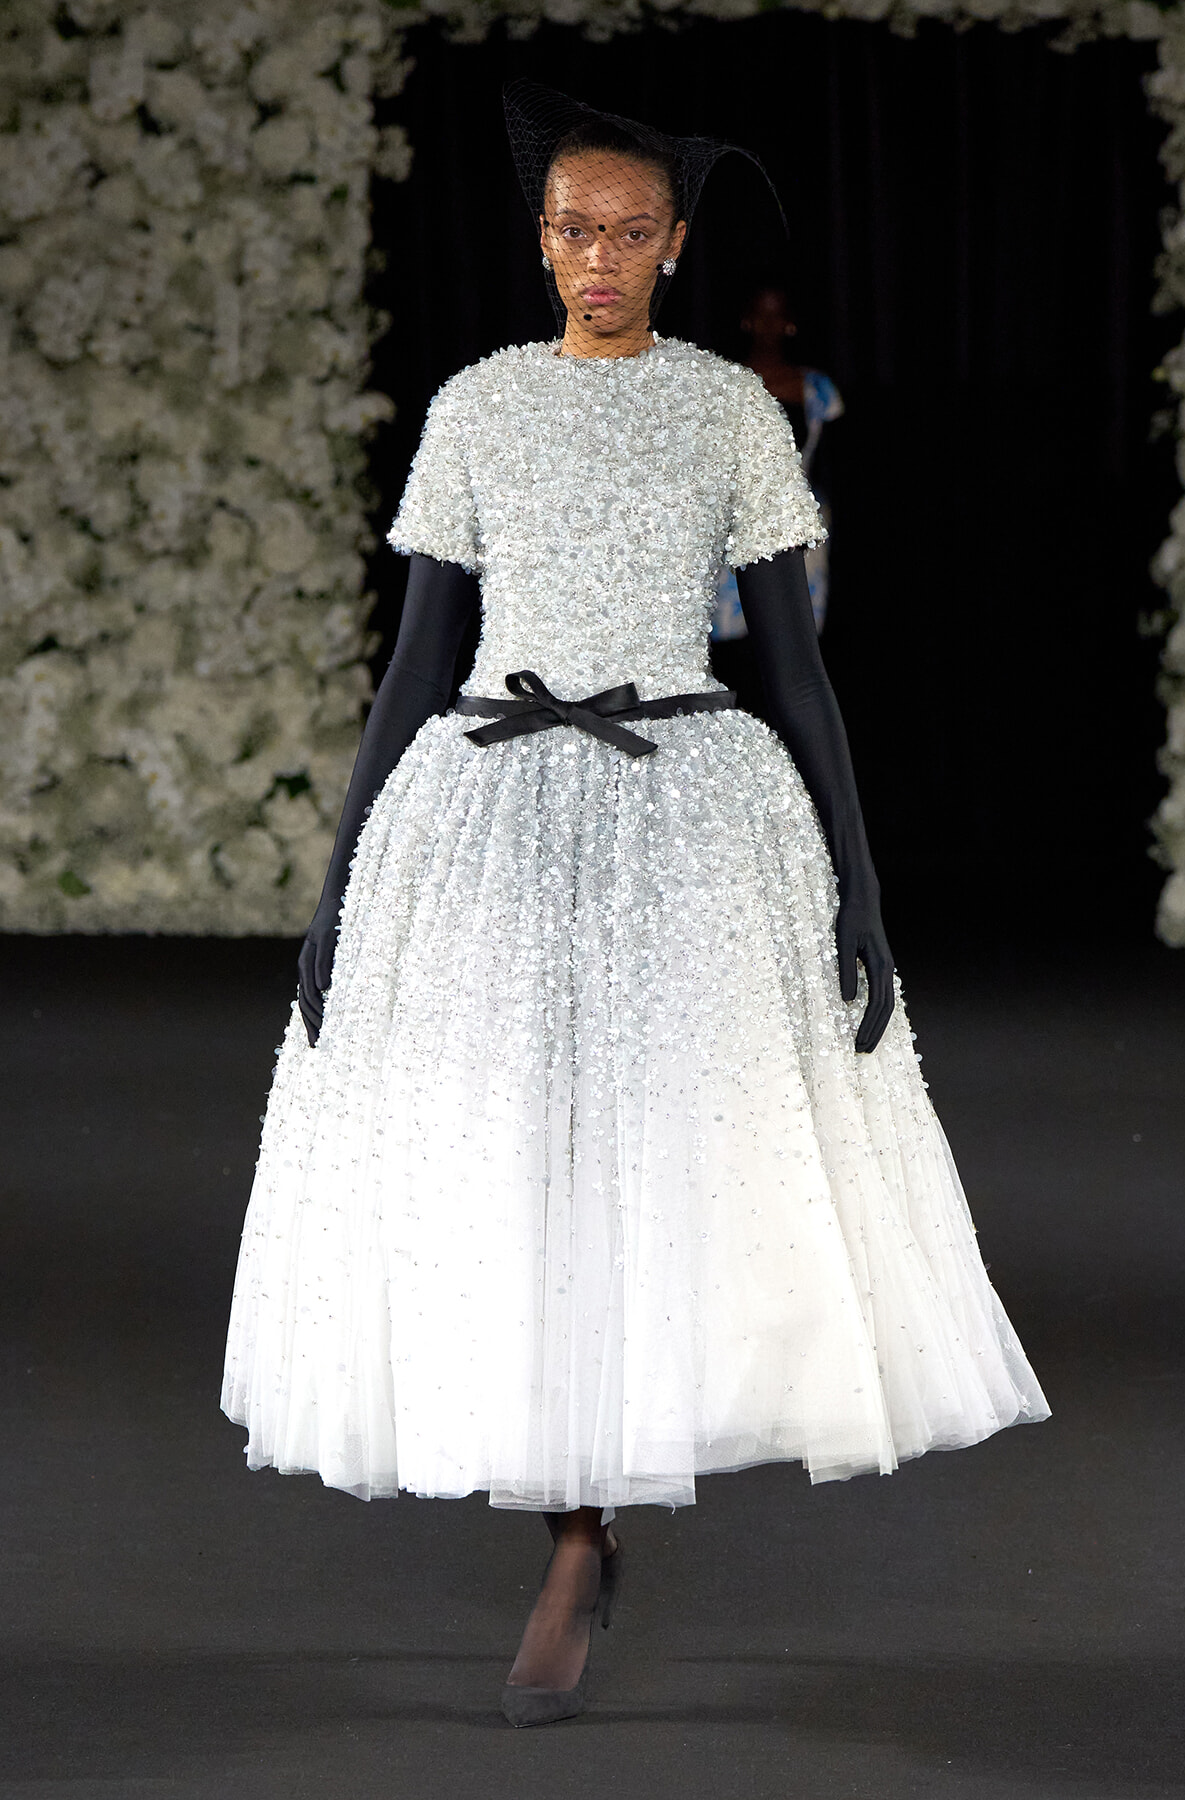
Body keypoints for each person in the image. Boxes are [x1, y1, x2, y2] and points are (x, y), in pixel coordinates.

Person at [221, 81, 1049, 1731]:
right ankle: (577, 1527)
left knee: (660, 1153)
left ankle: (590, 1520)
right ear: (538, 244)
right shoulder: (476, 410)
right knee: (518, 1150)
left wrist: (863, 895)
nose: (594, 257)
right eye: (568, 230)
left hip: (686, 810)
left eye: (625, 232)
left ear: (673, 248)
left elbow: (799, 673)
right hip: (492, 805)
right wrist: (338, 891)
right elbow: (414, 664)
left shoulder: (732, 419)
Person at [711, 285, 843, 646]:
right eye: (761, 313)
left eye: (777, 314)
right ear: (746, 320)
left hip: (800, 520)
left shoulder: (815, 387)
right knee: (732, 632)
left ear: (790, 323)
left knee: (795, 636)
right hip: (735, 518)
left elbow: (830, 464)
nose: (769, 324)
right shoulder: (724, 383)